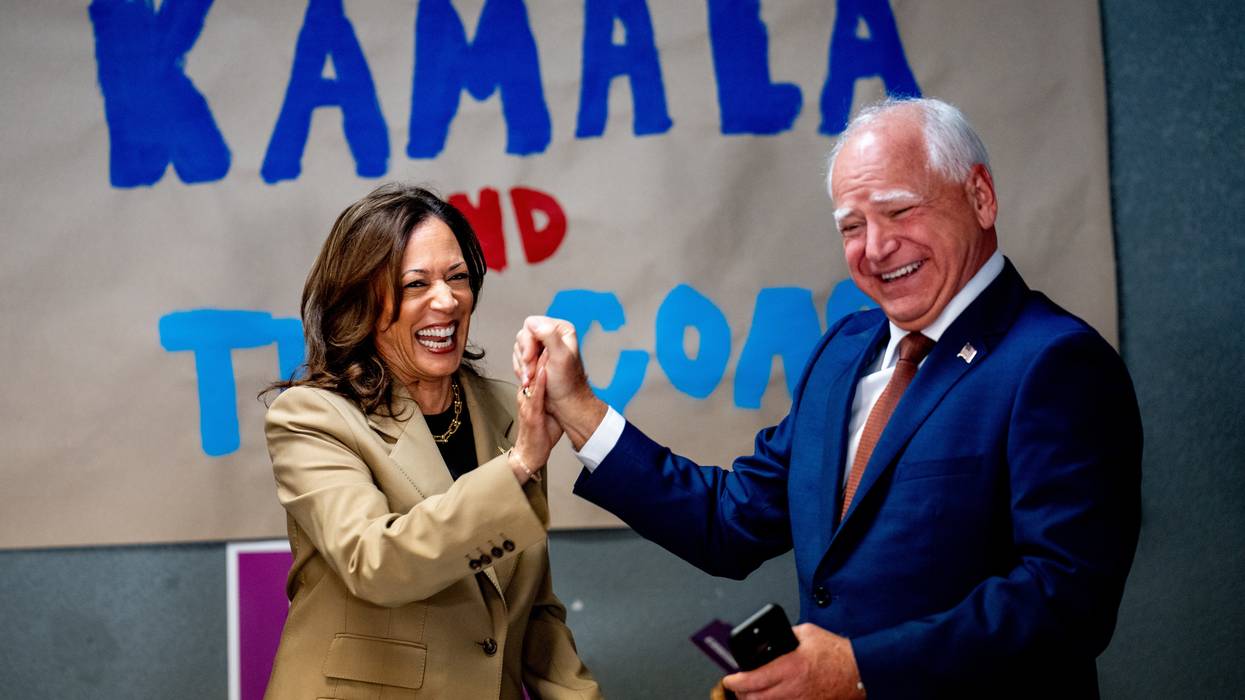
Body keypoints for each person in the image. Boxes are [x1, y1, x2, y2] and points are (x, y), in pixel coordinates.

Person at [513, 98, 1142, 698]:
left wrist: (860, 670)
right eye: (852, 225)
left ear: (980, 196)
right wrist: (579, 409)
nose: (875, 248)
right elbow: (727, 522)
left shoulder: (1056, 363)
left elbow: (1066, 601)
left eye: (898, 212)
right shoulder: (844, 351)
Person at [263, 183, 600, 699]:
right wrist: (519, 466)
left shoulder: (508, 411)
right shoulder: (312, 417)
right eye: (415, 284)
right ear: (362, 302)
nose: (447, 300)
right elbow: (375, 563)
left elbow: (531, 609)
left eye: (458, 278)